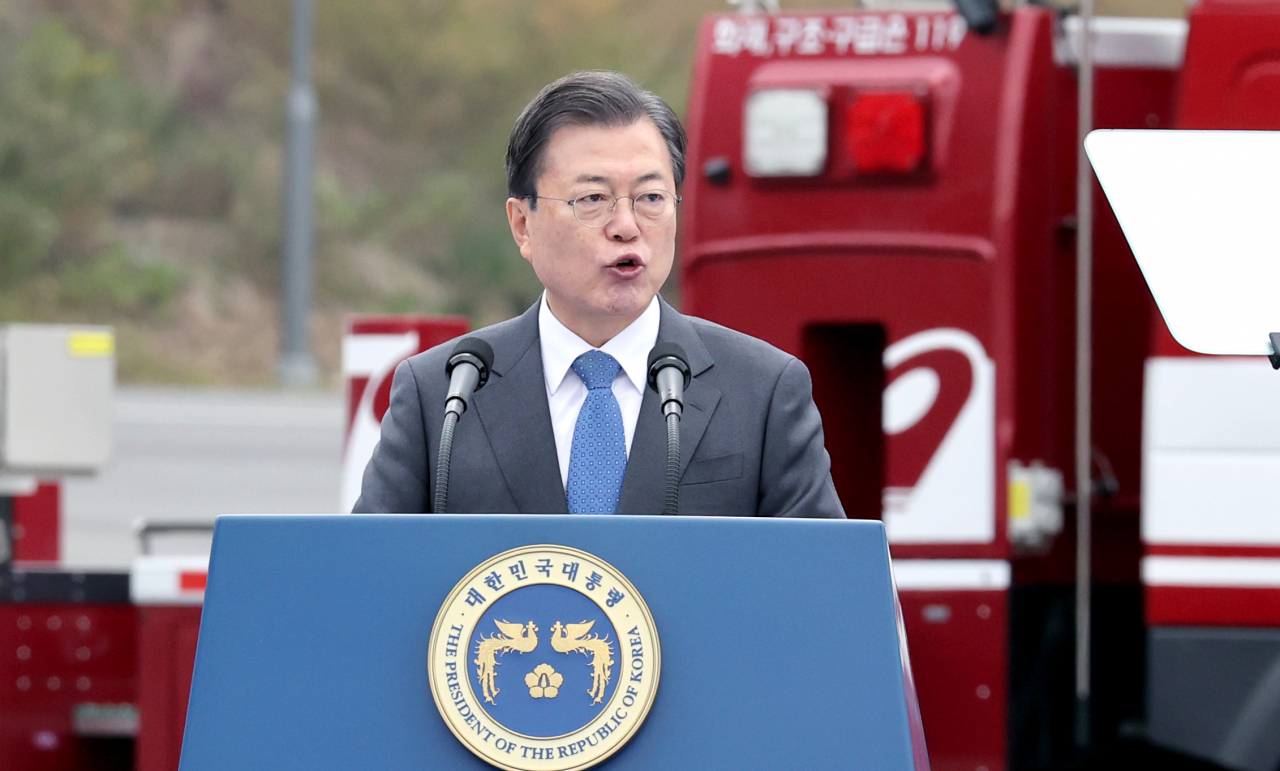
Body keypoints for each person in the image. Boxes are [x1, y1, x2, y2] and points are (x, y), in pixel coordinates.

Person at [354, 71, 844, 519]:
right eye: (593, 199)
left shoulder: (763, 390)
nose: (627, 227)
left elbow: (820, 591)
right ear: (522, 224)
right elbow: (368, 581)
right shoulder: (442, 394)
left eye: (651, 198)